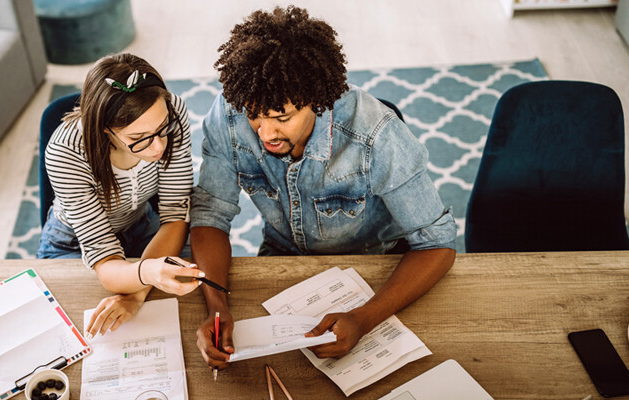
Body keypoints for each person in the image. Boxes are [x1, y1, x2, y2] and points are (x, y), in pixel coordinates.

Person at [190, 6, 458, 371]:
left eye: (282, 118)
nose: (265, 133)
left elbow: (437, 244)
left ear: (318, 101)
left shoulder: (376, 134)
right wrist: (218, 308)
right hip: (281, 255)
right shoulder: (228, 115)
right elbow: (210, 216)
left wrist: (364, 319)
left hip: (375, 264)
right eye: (255, 114)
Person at [37, 53, 204, 339]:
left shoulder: (172, 109)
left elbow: (176, 213)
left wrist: (136, 295)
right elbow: (105, 260)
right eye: (139, 138)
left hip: (142, 224)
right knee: (64, 330)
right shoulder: (65, 152)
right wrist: (148, 274)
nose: (158, 147)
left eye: (163, 129)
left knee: (196, 298)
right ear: (104, 128)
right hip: (73, 241)